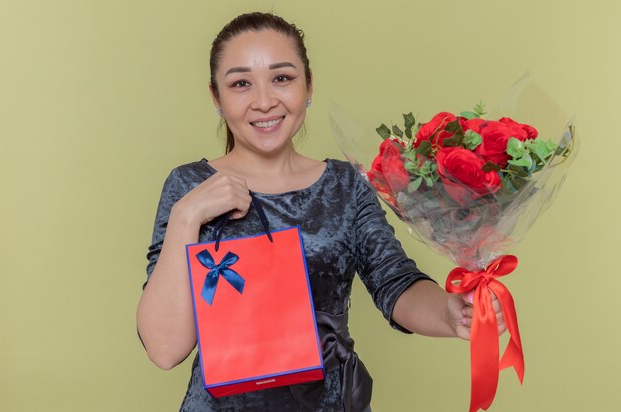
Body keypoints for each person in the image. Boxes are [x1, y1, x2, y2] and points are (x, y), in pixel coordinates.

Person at [136, 11, 505, 412]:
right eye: (241, 83)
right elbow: (164, 349)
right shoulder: (189, 186)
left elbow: (395, 283)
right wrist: (187, 216)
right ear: (216, 98)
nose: (264, 101)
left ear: (308, 85)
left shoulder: (346, 186)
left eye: (282, 78)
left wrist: (451, 313)